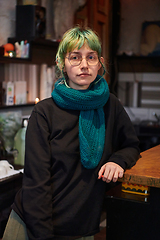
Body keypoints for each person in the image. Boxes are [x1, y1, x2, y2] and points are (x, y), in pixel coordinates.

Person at [3, 26, 140, 240]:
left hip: (81, 227)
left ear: (100, 63)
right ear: (62, 64)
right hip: (33, 225)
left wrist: (118, 161)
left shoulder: (110, 105)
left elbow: (131, 145)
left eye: (91, 57)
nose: (84, 65)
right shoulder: (44, 112)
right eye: (75, 57)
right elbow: (36, 183)